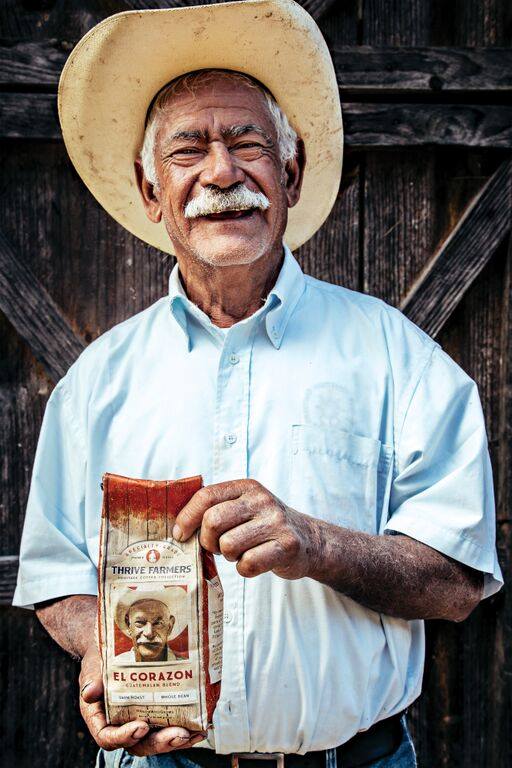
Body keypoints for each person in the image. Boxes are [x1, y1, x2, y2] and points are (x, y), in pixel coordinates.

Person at [12, 2, 503, 768]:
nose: (222, 172)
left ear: (291, 174)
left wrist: (315, 543)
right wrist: (97, 646)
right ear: (150, 194)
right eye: (188, 150)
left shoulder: (396, 358)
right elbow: (57, 578)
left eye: (248, 143)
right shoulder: (96, 384)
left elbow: (458, 582)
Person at [113, 591, 180, 664]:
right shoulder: (116, 664)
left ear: (169, 627)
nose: (149, 633)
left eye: (158, 623)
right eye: (140, 622)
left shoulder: (183, 664)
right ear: (128, 625)